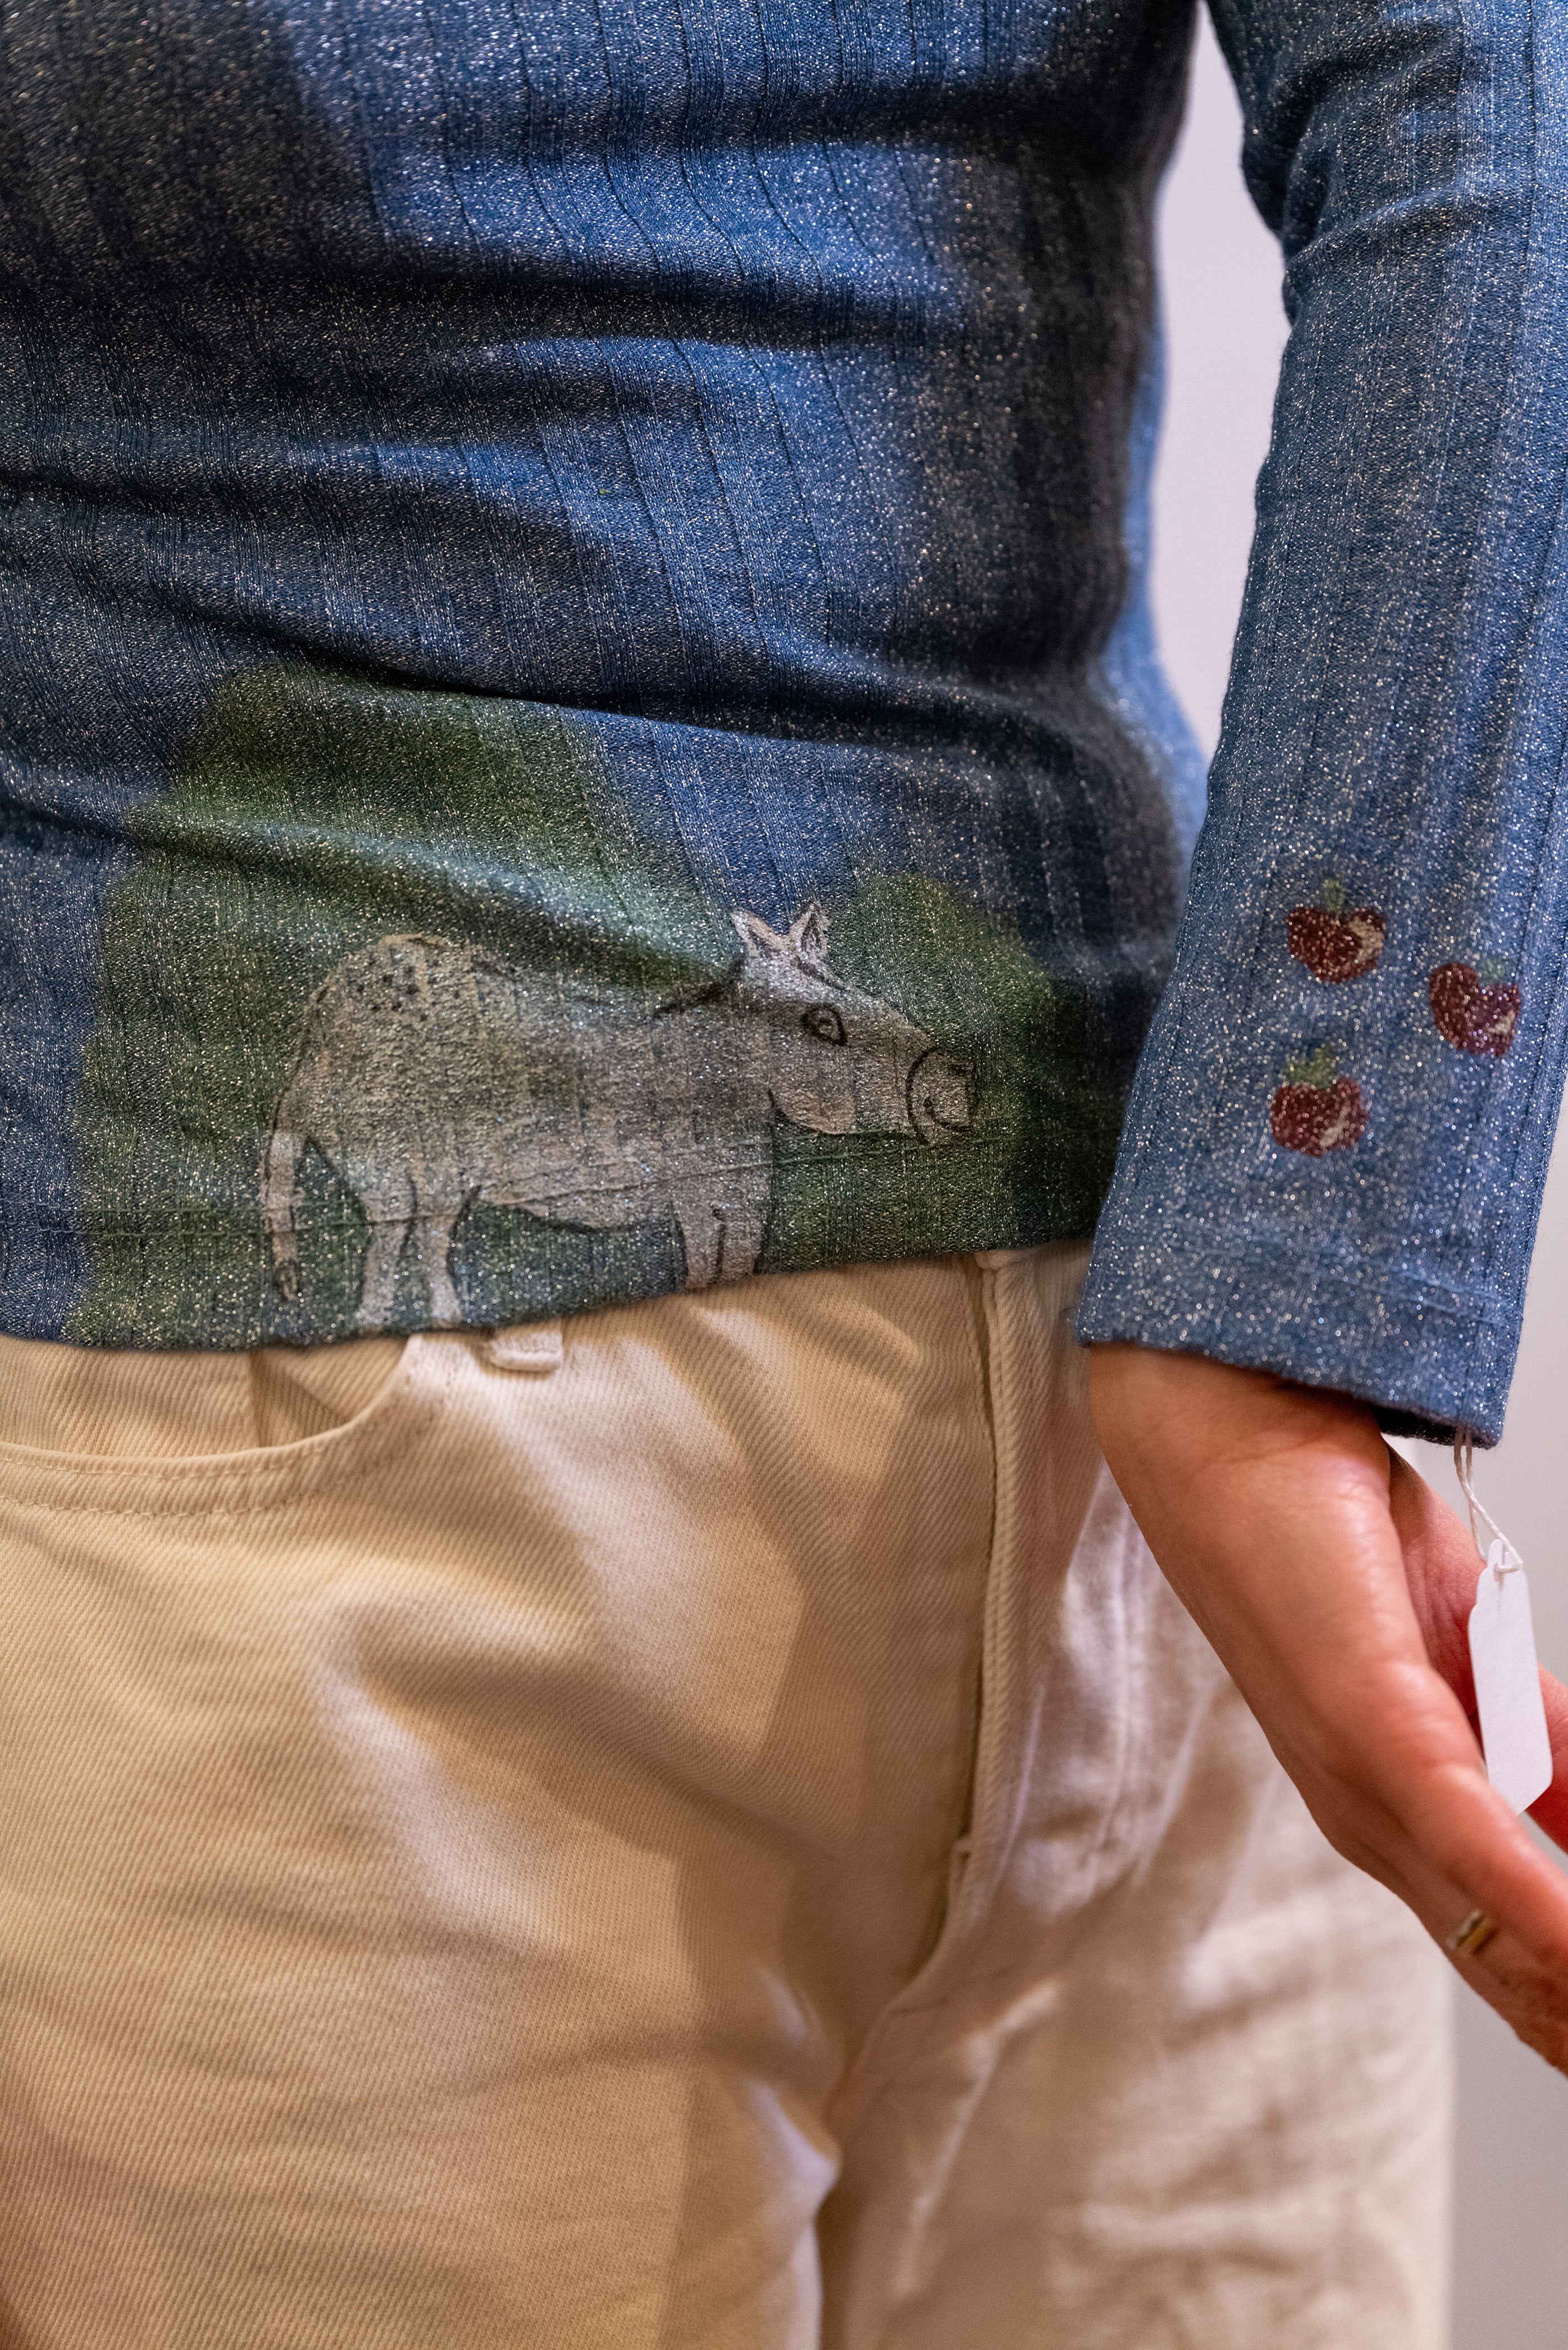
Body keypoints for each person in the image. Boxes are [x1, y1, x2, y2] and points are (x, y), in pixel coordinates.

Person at [0, 0, 1564, 2339]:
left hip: (1102, 1499)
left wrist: (1290, 1277)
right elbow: (1499, 95)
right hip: (1118, 1394)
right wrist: (1296, 1258)